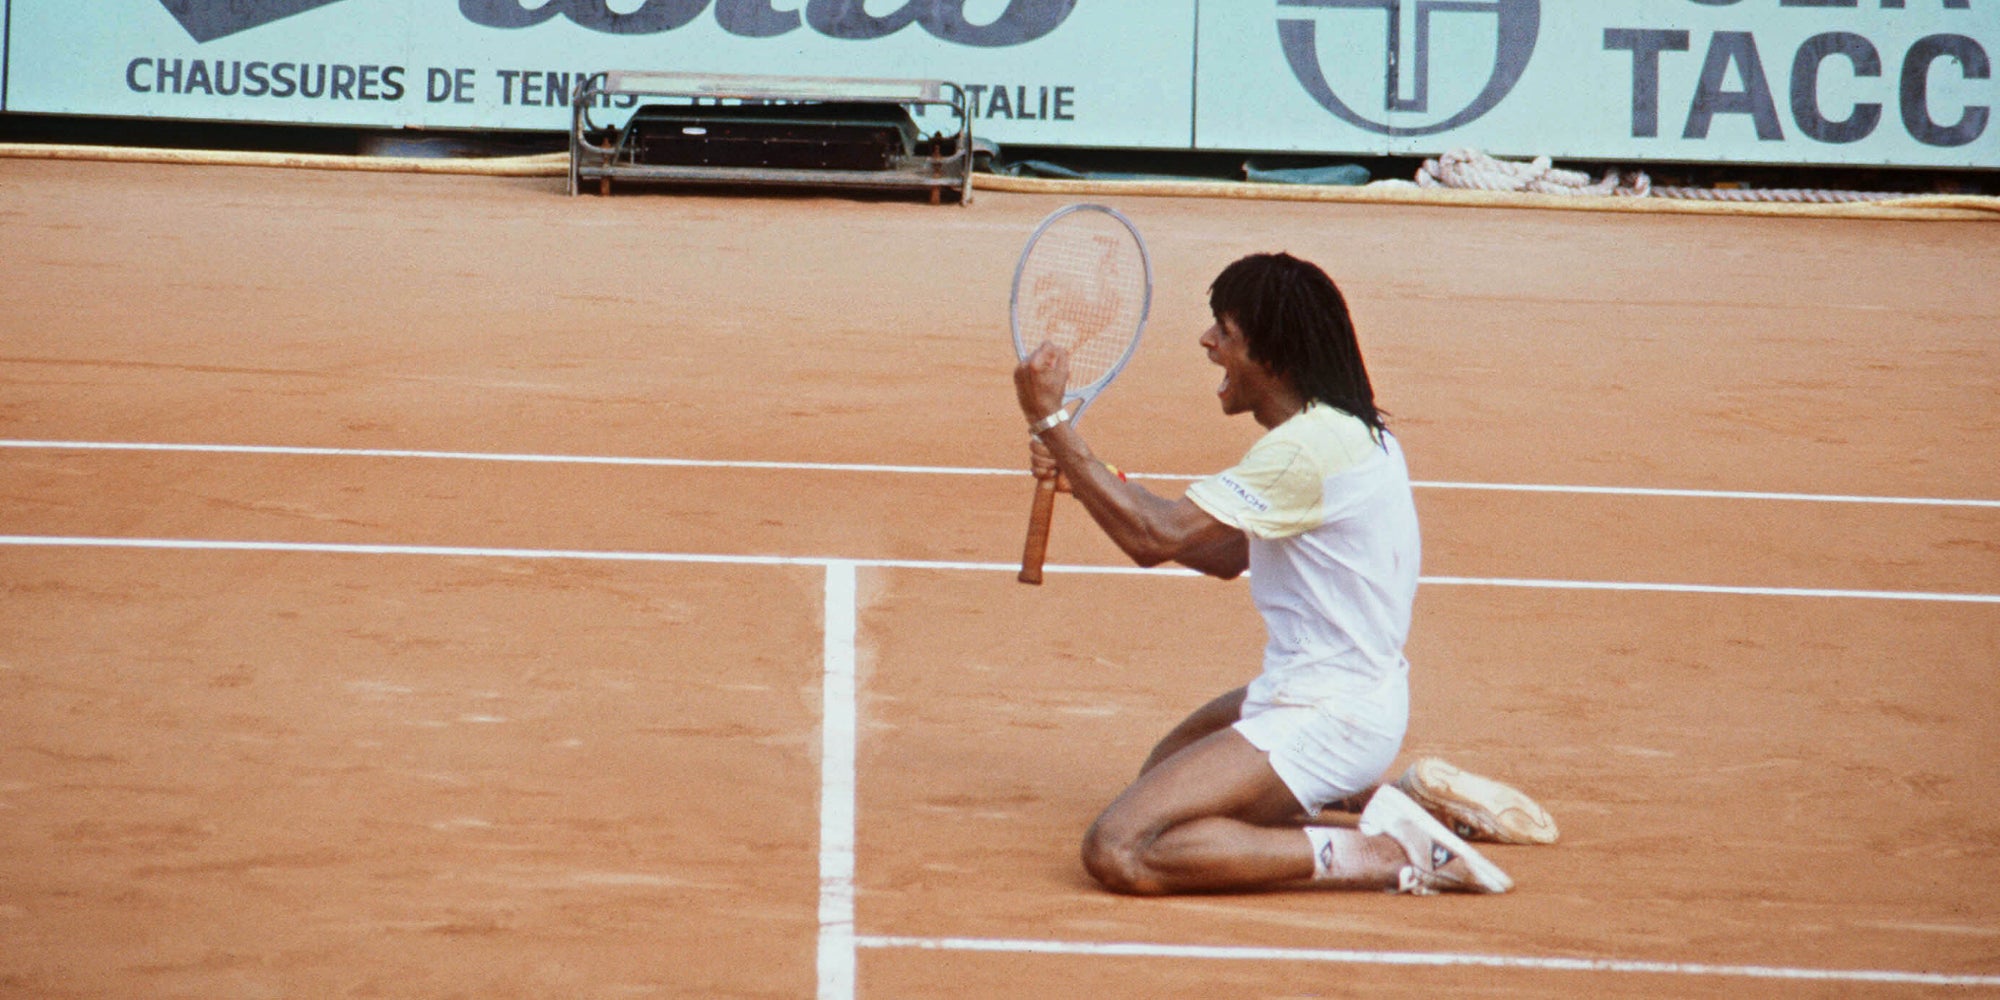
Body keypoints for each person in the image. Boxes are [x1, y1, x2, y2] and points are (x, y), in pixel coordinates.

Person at [1012, 251, 1556, 896]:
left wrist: (1052, 422)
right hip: (1337, 693)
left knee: (1127, 846)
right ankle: (1391, 798)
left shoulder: (1305, 450)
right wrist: (1088, 478)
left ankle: (1382, 853)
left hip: (1331, 712)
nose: (1207, 341)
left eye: (1226, 332)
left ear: (1274, 356)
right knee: (1161, 777)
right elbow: (1221, 555)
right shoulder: (1340, 431)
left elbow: (1152, 538)